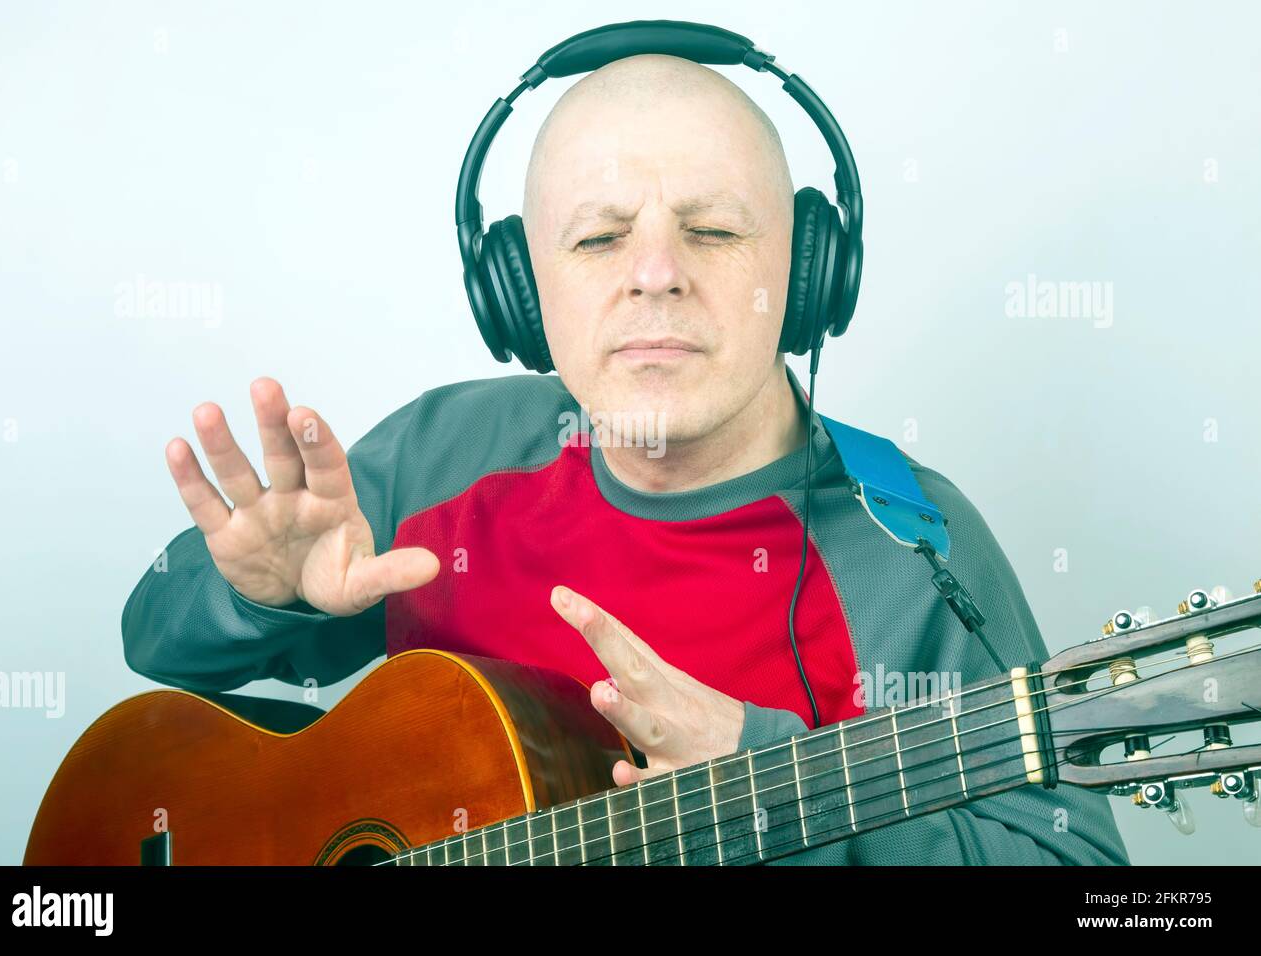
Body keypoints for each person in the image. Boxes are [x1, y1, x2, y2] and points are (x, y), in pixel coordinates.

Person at [122, 53, 1130, 866]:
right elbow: (152, 654)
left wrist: (762, 774)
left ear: (810, 271)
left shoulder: (907, 541)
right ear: (518, 292)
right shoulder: (443, 455)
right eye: (600, 239)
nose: (656, 276)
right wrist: (259, 597)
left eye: (714, 230)